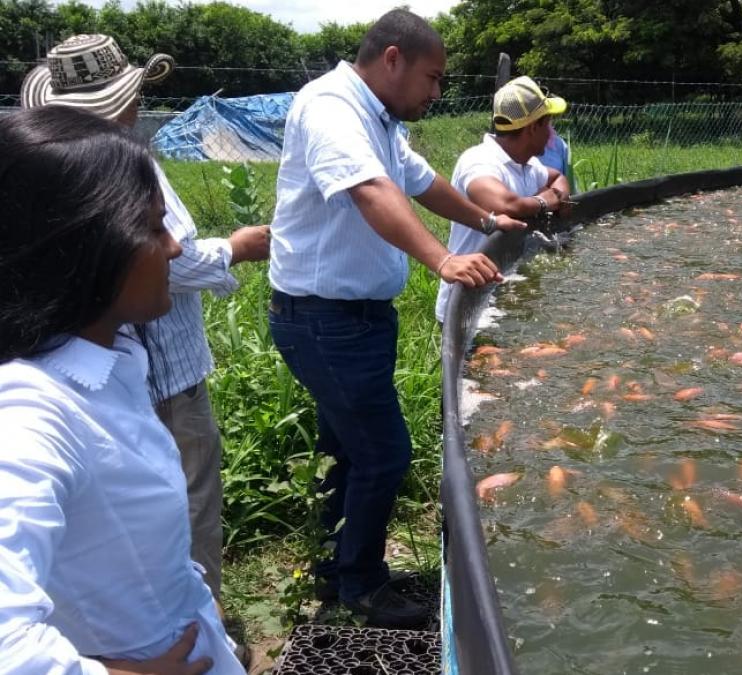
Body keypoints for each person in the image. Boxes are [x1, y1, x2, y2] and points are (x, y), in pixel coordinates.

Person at [267, 9, 524, 628]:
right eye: (432, 77)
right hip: (324, 319)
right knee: (385, 455)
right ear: (392, 60)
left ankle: (332, 564)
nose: (436, 92)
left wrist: (488, 224)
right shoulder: (331, 106)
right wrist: (442, 258)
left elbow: (422, 181)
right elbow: (372, 191)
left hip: (353, 319)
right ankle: (361, 583)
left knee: (348, 448)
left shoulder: (377, 117)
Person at [21, 33, 272, 601]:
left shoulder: (60, 168)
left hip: (132, 366)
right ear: (122, 103)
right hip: (164, 376)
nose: (171, 244)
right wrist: (234, 247)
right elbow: (173, 263)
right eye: (157, 229)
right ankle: (199, 624)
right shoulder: (120, 172)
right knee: (188, 501)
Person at [0, 105, 243, 674]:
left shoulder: (108, 363)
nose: (176, 249)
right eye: (155, 227)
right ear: (88, 242)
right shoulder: (32, 411)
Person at [435, 76, 573, 323]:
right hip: (469, 305)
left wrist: (559, 193)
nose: (552, 132)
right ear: (532, 127)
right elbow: (505, 205)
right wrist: (545, 202)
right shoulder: (479, 161)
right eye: (548, 123)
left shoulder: (527, 164)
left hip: (508, 295)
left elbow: (556, 177)